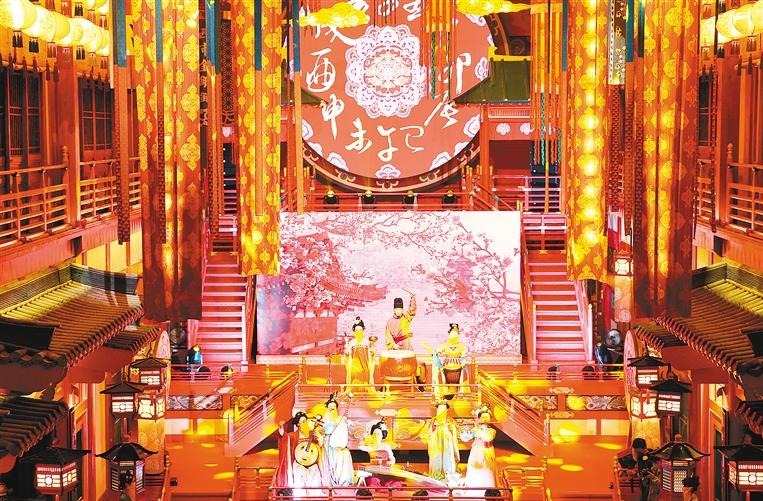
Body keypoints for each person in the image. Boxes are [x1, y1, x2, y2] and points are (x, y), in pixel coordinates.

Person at [275, 412, 328, 496]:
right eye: (303, 422)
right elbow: (284, 438)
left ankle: (314, 496)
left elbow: (320, 445)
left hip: (311, 462)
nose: (305, 423)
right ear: (298, 424)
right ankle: (301, 496)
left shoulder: (312, 434)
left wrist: (319, 437)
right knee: (299, 473)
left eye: (306, 421)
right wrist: (281, 430)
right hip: (299, 463)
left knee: (315, 473)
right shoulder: (293, 435)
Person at [421, 401, 460, 481]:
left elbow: (454, 433)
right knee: (437, 457)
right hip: (436, 442)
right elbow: (428, 433)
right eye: (440, 409)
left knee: (447, 457)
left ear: (446, 410)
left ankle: (448, 474)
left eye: (444, 409)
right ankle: (436, 473)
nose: (441, 411)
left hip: (447, 442)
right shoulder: (433, 421)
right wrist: (433, 429)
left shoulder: (450, 421)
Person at [323, 393, 354, 486]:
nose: (332, 408)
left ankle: (344, 481)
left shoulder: (341, 418)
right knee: (336, 459)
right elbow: (325, 429)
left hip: (341, 447)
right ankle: (334, 480)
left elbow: (349, 423)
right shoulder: (326, 418)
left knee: (346, 455)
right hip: (331, 447)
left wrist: (348, 422)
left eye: (334, 406)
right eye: (330, 406)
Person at [464, 405, 497, 488]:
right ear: (480, 418)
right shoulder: (476, 430)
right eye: (483, 417)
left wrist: (477, 430)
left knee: (487, 469)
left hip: (487, 451)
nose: (485, 419)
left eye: (487, 417)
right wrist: (466, 430)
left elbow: (488, 438)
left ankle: (488, 487)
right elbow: (465, 438)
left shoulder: (492, 431)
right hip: (476, 451)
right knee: (474, 468)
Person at [436, 323, 468, 396]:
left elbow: (464, 355)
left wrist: (463, 362)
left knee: (464, 373)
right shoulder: (445, 344)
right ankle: (443, 392)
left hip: (457, 364)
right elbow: (438, 350)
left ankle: (461, 392)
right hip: (448, 364)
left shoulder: (461, 345)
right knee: (440, 373)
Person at [345, 316, 375, 388]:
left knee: (366, 375)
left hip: (365, 367)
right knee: (354, 376)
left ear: (363, 331)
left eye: (360, 330)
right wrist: (346, 350)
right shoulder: (351, 343)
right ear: (354, 332)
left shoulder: (367, 342)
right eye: (356, 330)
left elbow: (370, 356)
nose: (358, 331)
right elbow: (348, 356)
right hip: (355, 368)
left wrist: (372, 351)